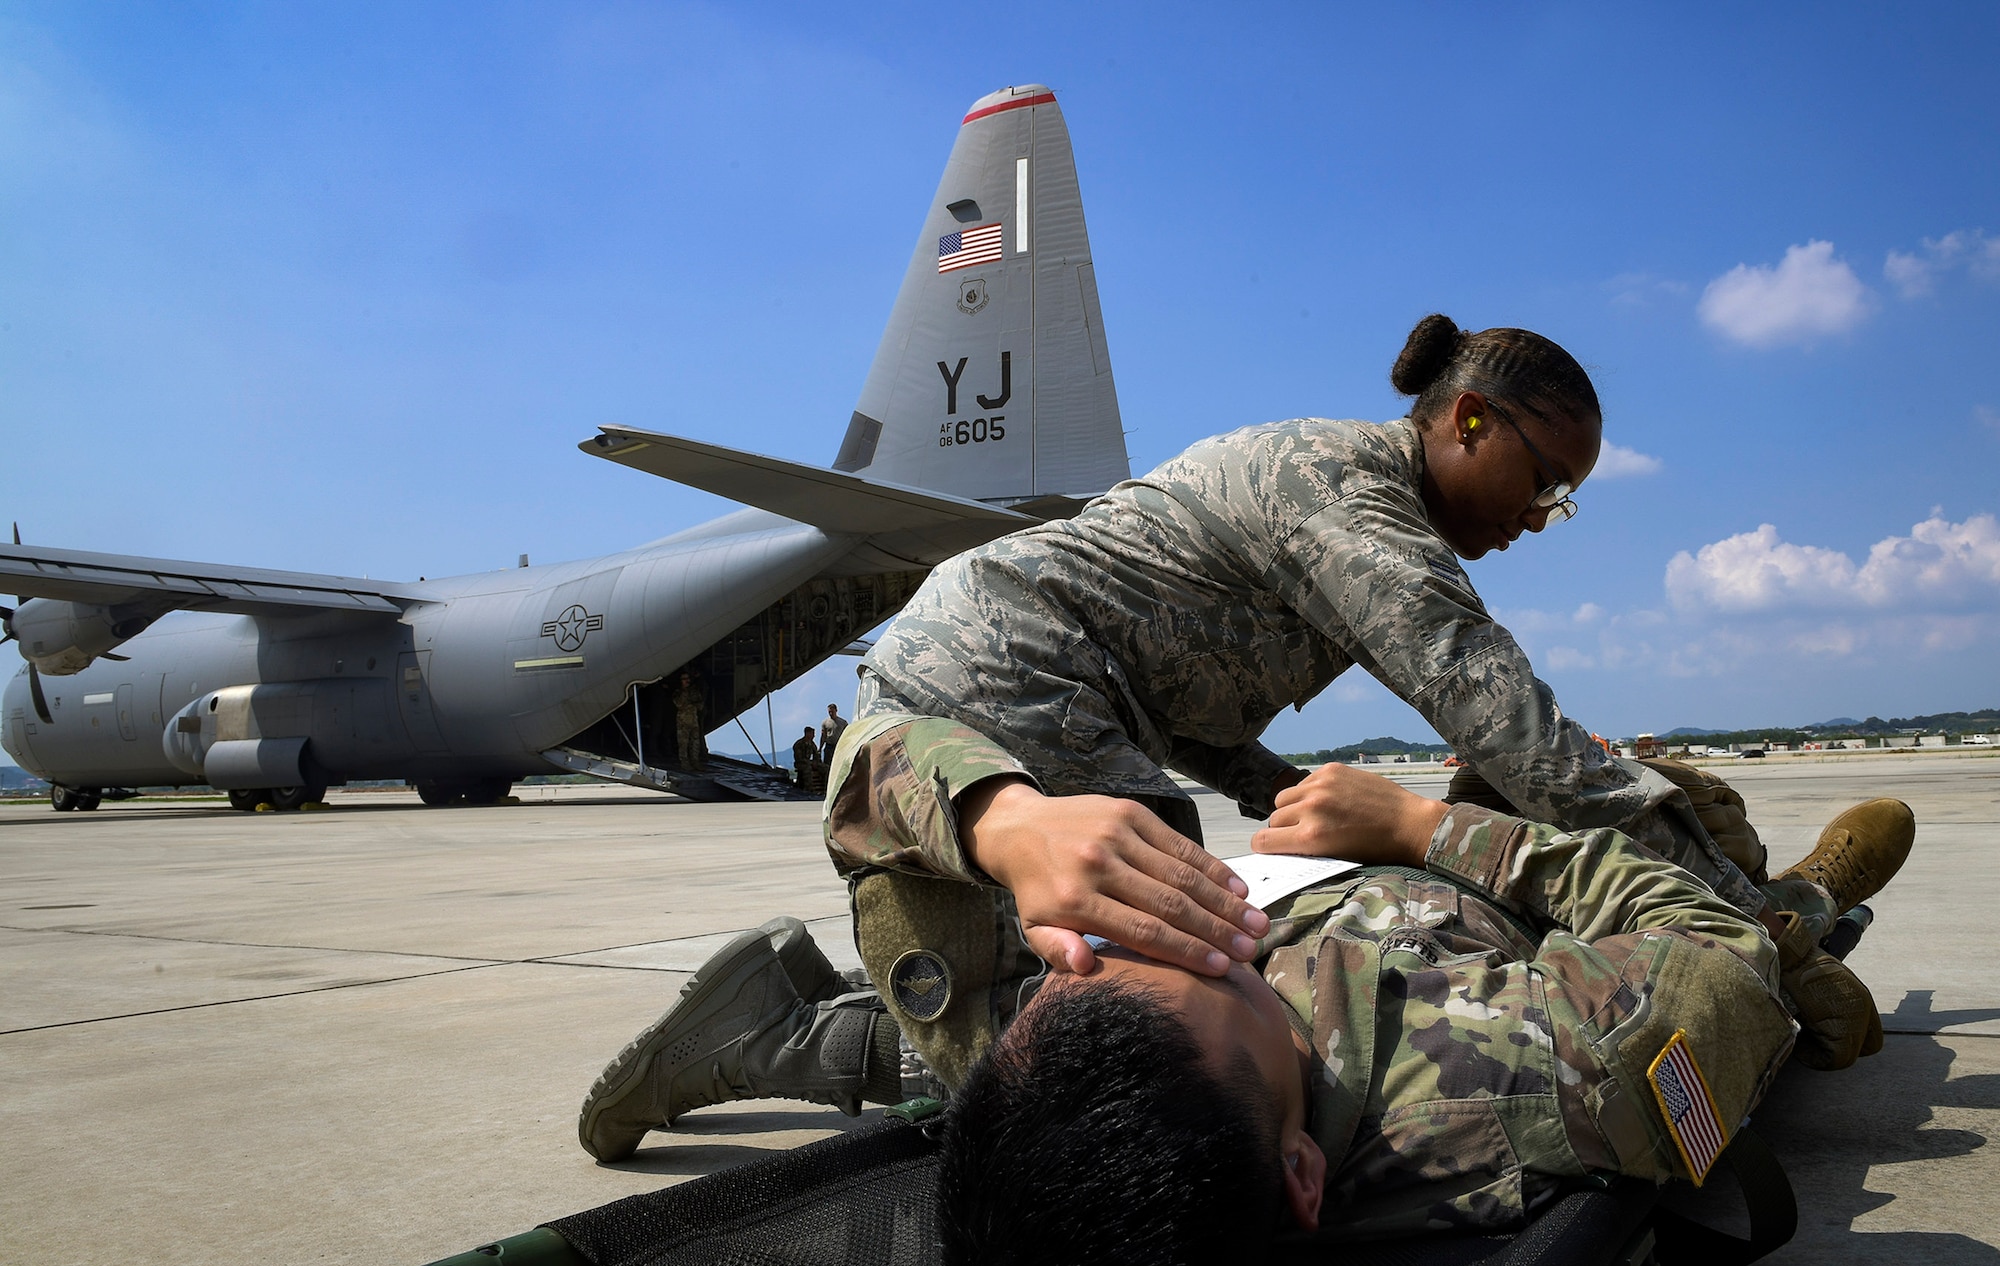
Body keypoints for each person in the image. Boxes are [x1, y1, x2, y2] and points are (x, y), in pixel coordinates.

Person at [576, 314, 1911, 1160]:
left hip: (1071, 706)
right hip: (1003, 700)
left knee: (1173, 996)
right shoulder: (1354, 505)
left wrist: (1295, 797)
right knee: (1120, 1064)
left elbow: (1202, 715)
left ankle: (827, 1021)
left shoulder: (1353, 509)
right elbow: (1525, 737)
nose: (1544, 512)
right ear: (1468, 422)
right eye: (1545, 480)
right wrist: (1769, 942)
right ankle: (777, 1038)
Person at [932, 763, 1845, 1266]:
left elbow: (886, 751)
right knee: (1687, 813)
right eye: (1208, 967)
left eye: (1082, 967)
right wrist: (1423, 826)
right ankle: (1809, 897)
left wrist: (1004, 820)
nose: (1143, 936)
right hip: (1503, 878)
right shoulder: (1537, 1071)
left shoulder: (1096, 1068)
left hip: (1351, 856)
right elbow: (1716, 942)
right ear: (1301, 1170)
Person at [673, 671, 705, 769]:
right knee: (683, 743)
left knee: (695, 742)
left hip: (693, 720)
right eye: (684, 679)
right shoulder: (678, 692)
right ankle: (684, 762)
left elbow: (700, 704)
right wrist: (685, 692)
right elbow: (678, 704)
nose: (687, 681)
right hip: (683, 721)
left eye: (688, 679)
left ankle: (695, 761)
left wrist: (693, 705)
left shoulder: (694, 691)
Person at [792, 727, 823, 794]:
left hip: (810, 763)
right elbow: (799, 758)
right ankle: (809, 789)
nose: (814, 736)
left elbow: (816, 755)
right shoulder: (799, 744)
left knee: (825, 768)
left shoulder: (812, 744)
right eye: (812, 734)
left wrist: (816, 762)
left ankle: (824, 789)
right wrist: (811, 763)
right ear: (807, 733)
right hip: (800, 764)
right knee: (807, 769)